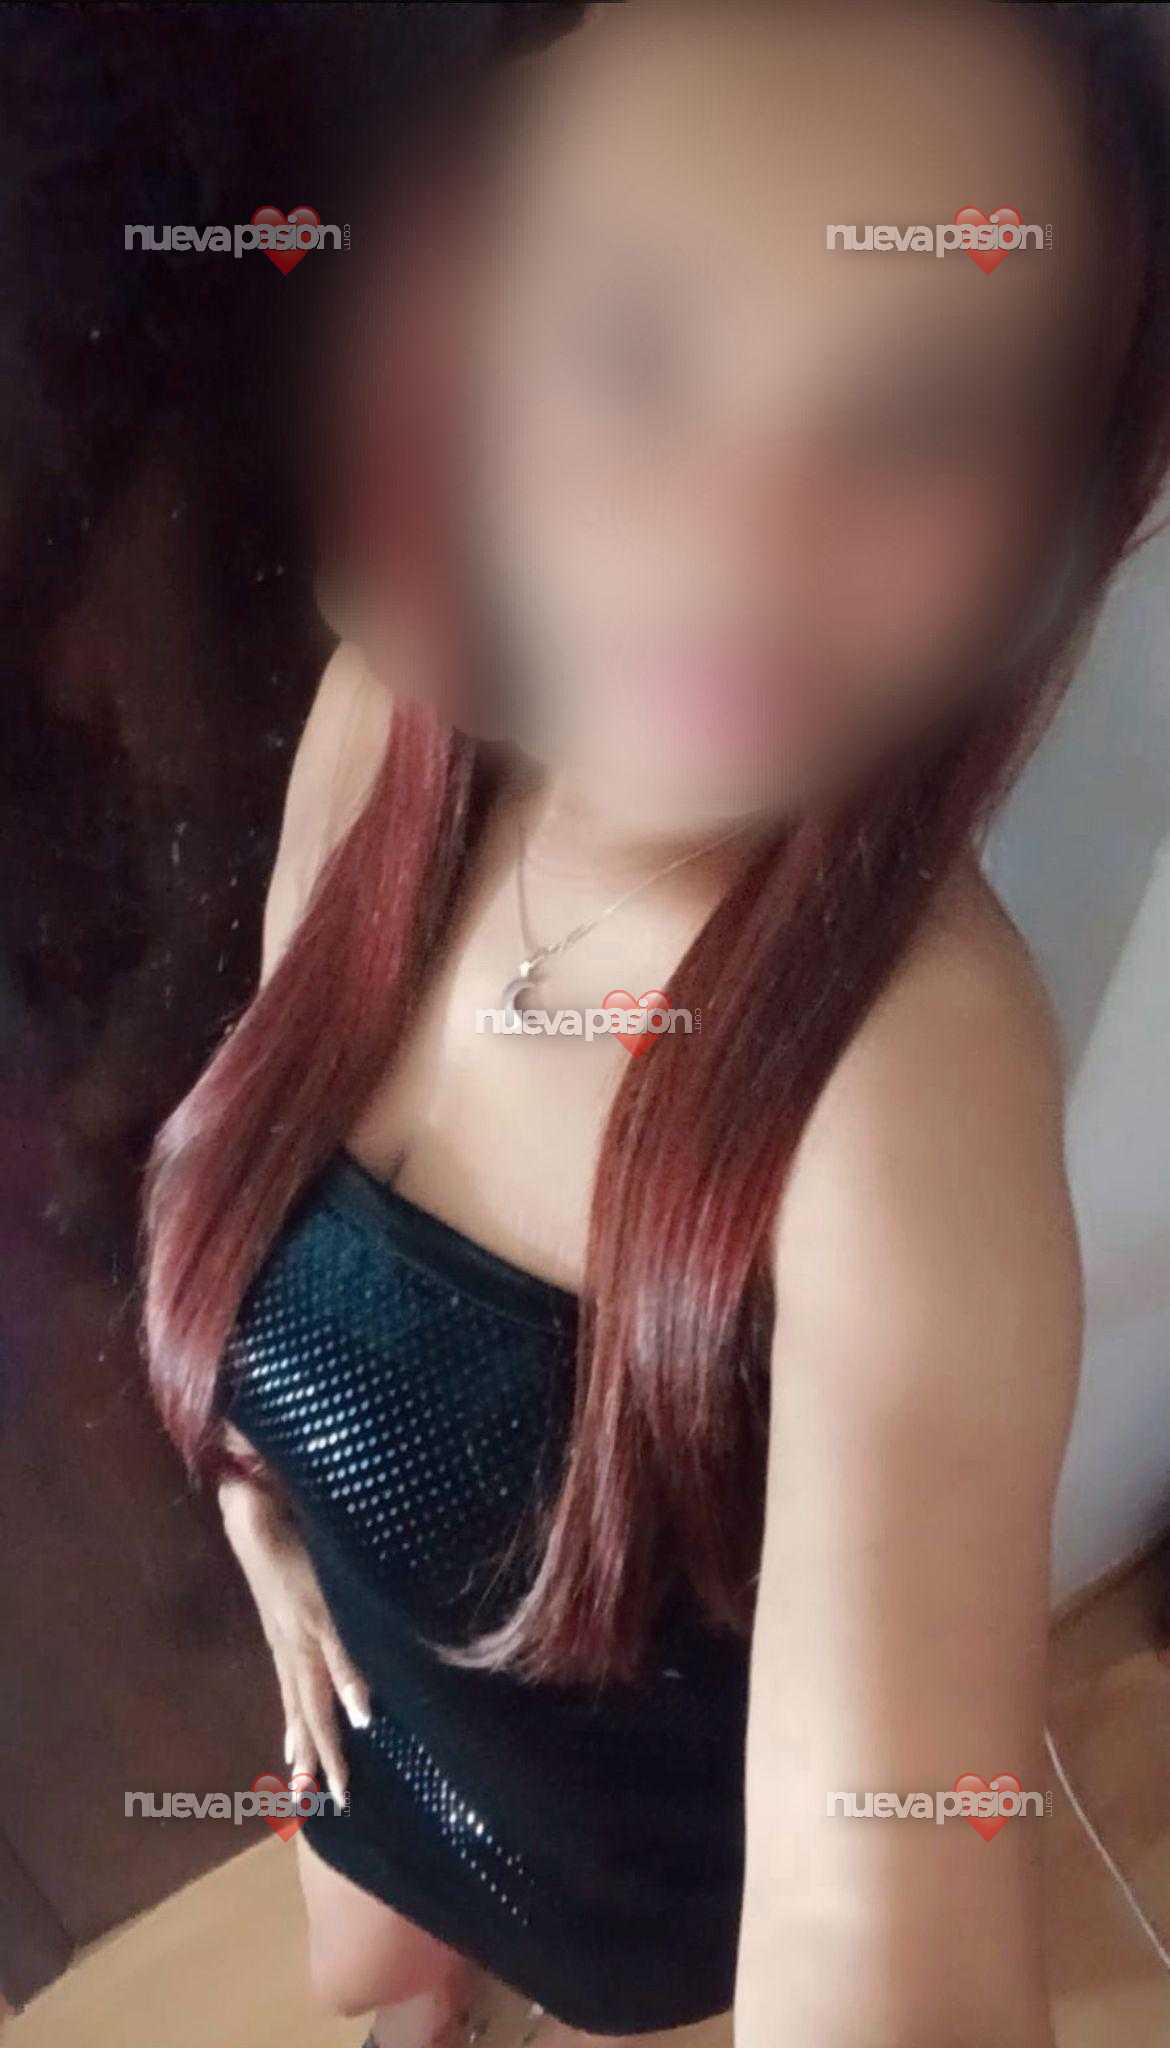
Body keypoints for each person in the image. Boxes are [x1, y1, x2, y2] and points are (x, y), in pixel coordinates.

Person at [140, 5, 1170, 2044]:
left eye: (919, 422)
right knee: (370, 1983)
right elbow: (261, 1190)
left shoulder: (900, 1082)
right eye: (633, 344)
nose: (742, 548)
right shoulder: (384, 724)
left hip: (631, 1868)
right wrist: (264, 1520)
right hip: (360, 1712)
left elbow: (869, 1907)